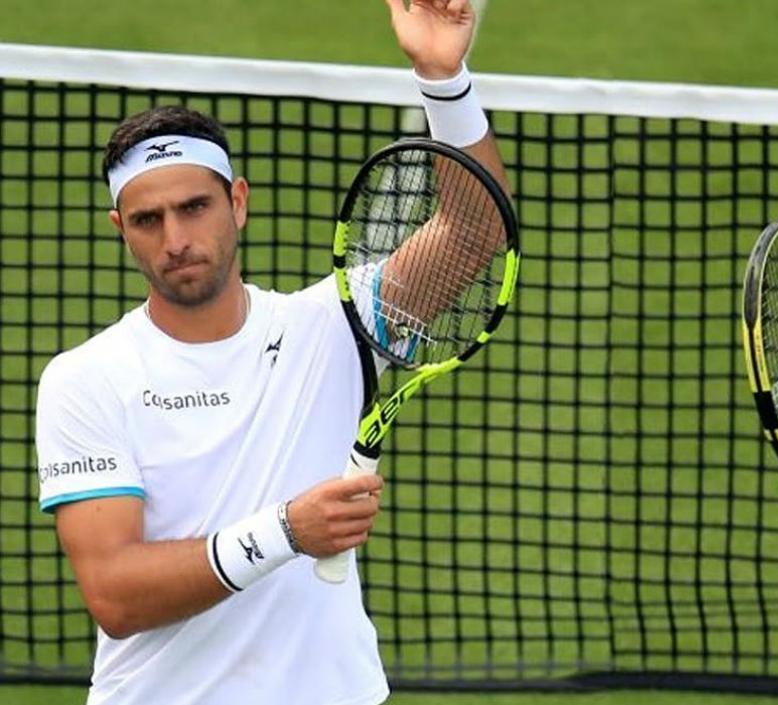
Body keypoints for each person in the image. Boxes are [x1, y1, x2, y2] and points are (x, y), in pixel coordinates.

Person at [32, 2, 506, 703]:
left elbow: (472, 232)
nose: (175, 238)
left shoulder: (339, 324)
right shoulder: (85, 379)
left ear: (239, 203)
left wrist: (444, 79)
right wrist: (286, 530)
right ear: (120, 229)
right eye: (148, 219)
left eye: (195, 207)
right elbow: (115, 592)